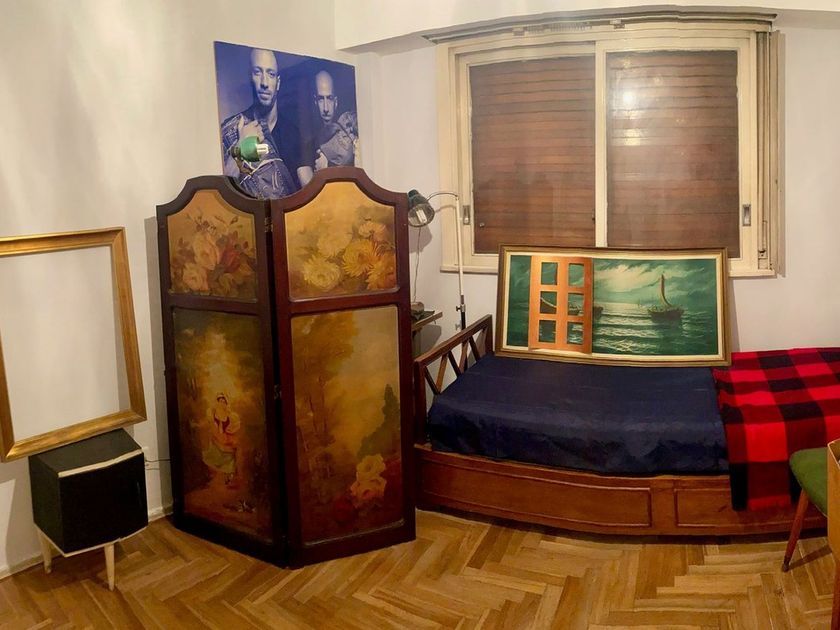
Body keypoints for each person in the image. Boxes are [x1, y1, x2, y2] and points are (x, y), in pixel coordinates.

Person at [220, 48, 313, 198]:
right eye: (258, 72)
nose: (264, 83)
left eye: (271, 74)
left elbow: (309, 193)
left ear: (278, 82)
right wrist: (241, 148)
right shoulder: (235, 127)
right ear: (250, 78)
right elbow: (223, 190)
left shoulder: (293, 133)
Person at [311, 70, 358, 172]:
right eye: (321, 99)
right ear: (315, 102)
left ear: (336, 101)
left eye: (329, 98)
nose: (326, 108)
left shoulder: (348, 124)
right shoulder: (310, 141)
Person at [202, 392, 241, 486]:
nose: (222, 403)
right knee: (216, 455)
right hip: (217, 438)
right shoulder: (213, 413)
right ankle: (222, 474)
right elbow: (211, 424)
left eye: (224, 401)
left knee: (230, 456)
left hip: (227, 438)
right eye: (220, 401)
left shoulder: (229, 414)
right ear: (217, 402)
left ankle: (230, 477)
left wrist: (230, 430)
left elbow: (235, 425)